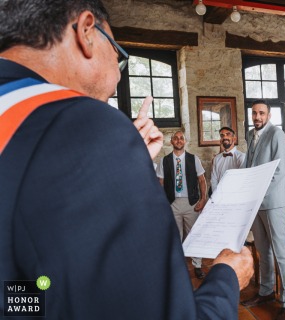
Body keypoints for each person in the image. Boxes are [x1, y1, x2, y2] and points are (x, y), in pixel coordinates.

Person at [0, 1, 253, 318]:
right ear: (87, 31)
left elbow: (26, 292)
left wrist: (127, 161)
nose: (118, 80)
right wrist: (226, 279)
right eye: (119, 57)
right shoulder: (86, 124)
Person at [241, 100, 285, 320]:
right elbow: (249, 165)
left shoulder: (277, 134)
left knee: (280, 252)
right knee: (263, 249)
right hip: (255, 202)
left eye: (261, 113)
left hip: (272, 200)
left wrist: (258, 191)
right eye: (254, 113)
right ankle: (266, 291)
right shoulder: (250, 134)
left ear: (269, 115)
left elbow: (280, 169)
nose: (257, 117)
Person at [157, 131, 208, 279]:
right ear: (171, 142)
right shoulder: (164, 161)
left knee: (194, 235)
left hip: (191, 203)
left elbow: (202, 180)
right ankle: (176, 267)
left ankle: (197, 265)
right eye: (176, 138)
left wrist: (202, 199)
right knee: (174, 236)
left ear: (185, 141)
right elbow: (160, 183)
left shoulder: (194, 159)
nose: (179, 140)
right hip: (172, 203)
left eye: (181, 138)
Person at [210, 126, 245, 194]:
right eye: (222, 135)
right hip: (220, 195)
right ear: (220, 140)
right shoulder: (216, 158)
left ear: (234, 139)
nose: (225, 137)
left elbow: (242, 179)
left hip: (236, 194)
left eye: (228, 134)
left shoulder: (241, 157)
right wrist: (216, 195)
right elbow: (214, 180)